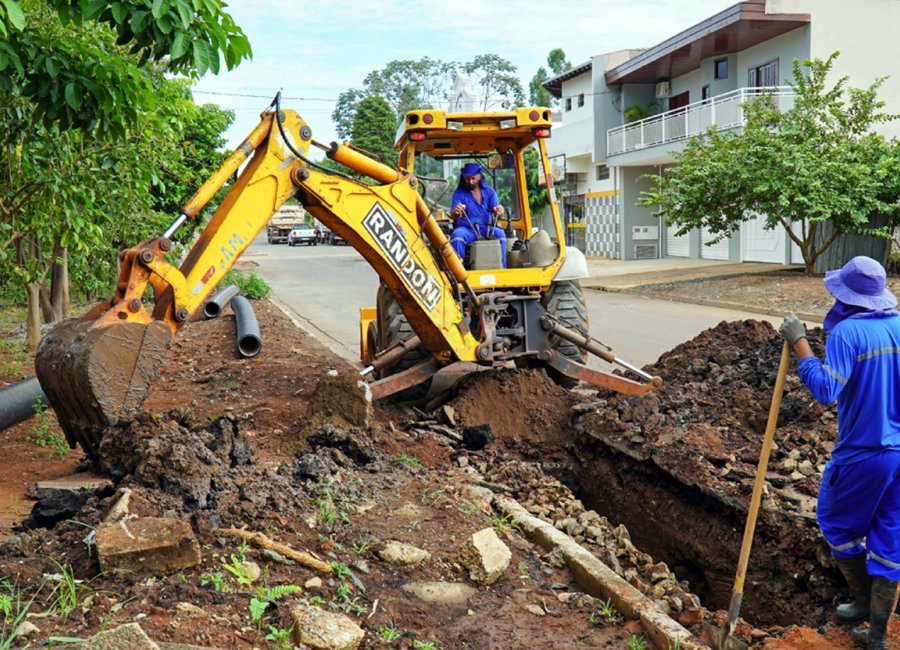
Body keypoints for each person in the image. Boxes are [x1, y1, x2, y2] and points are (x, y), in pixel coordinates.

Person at [779, 256, 900, 650]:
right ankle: (877, 637)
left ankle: (864, 598)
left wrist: (800, 342)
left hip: (864, 452)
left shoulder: (848, 333)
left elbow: (826, 390)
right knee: (890, 537)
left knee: (833, 520)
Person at [449, 162, 506, 268]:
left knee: (500, 234)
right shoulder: (459, 193)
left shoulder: (490, 192)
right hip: (467, 230)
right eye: (467, 179)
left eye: (473, 178)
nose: (470, 182)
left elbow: (499, 215)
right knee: (457, 236)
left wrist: (500, 211)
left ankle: (502, 270)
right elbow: (453, 215)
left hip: (487, 229)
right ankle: (458, 272)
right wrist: (456, 212)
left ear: (480, 176)